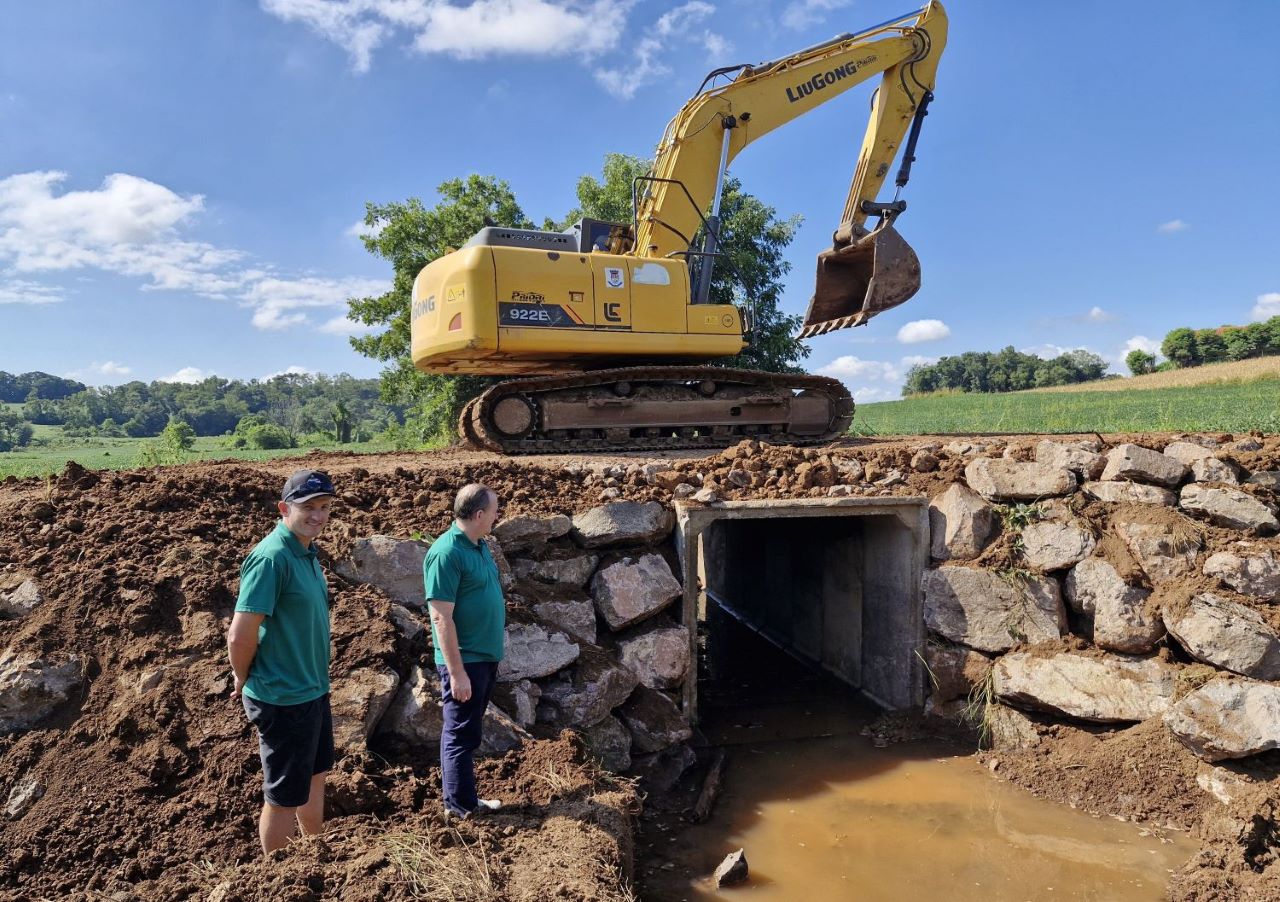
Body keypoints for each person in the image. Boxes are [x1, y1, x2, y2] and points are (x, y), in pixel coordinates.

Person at [227, 468, 337, 855]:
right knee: (283, 795)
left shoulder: (306, 551)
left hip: (312, 689)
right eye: (308, 507)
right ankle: (277, 879)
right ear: (283, 508)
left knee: (315, 776)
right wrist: (242, 678)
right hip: (283, 696)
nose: (318, 515)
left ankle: (314, 854)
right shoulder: (271, 558)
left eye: (324, 507)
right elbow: (240, 635)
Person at [424, 482, 507, 819]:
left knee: (469, 733)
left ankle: (465, 800)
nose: (498, 515)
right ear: (478, 514)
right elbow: (440, 617)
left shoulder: (479, 545)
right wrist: (457, 673)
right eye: (495, 510)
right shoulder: (446, 553)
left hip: (483, 658)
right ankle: (458, 807)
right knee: (459, 734)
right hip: (465, 660)